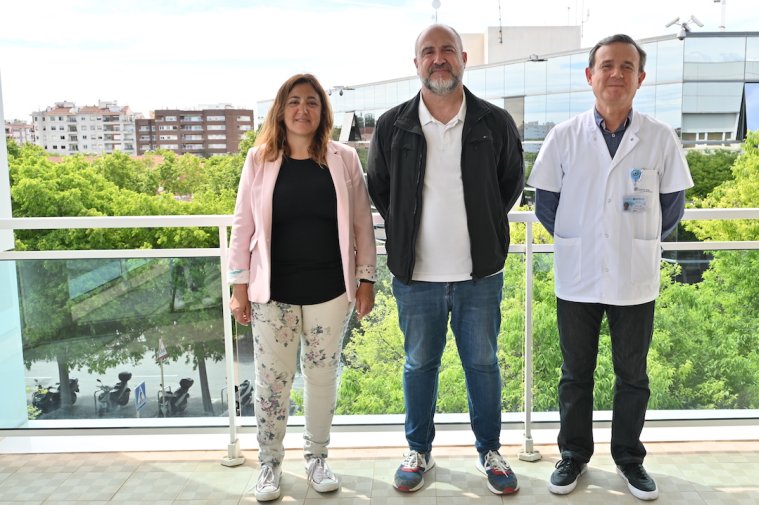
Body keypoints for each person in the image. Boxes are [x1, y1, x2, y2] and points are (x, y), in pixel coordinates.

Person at [528, 34, 693, 501]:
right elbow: (546, 205)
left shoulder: (660, 137)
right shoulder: (564, 137)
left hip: (634, 274)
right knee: (575, 373)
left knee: (632, 374)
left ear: (641, 78)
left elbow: (672, 206)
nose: (615, 74)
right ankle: (574, 456)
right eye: (606, 66)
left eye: (626, 67)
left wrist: (630, 241)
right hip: (578, 274)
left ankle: (629, 459)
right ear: (589, 76)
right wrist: (584, 239)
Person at [367, 24, 524, 496]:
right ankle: (418, 451)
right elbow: (380, 188)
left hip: (480, 275)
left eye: (448, 51)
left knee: (483, 364)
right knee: (419, 365)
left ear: (463, 59)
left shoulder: (494, 122)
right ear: (416, 63)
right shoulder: (393, 125)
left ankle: (491, 452)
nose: (439, 59)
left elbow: (509, 186)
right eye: (429, 52)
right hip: (416, 277)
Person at [228, 73, 377, 502]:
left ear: (322, 111)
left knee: (321, 375)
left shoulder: (344, 158)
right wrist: (238, 285)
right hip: (272, 293)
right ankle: (269, 465)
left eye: (311, 102)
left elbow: (362, 223)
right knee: (272, 380)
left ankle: (316, 458)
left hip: (332, 291)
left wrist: (366, 278)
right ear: (281, 109)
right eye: (294, 101)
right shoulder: (260, 159)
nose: (302, 109)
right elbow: (243, 226)